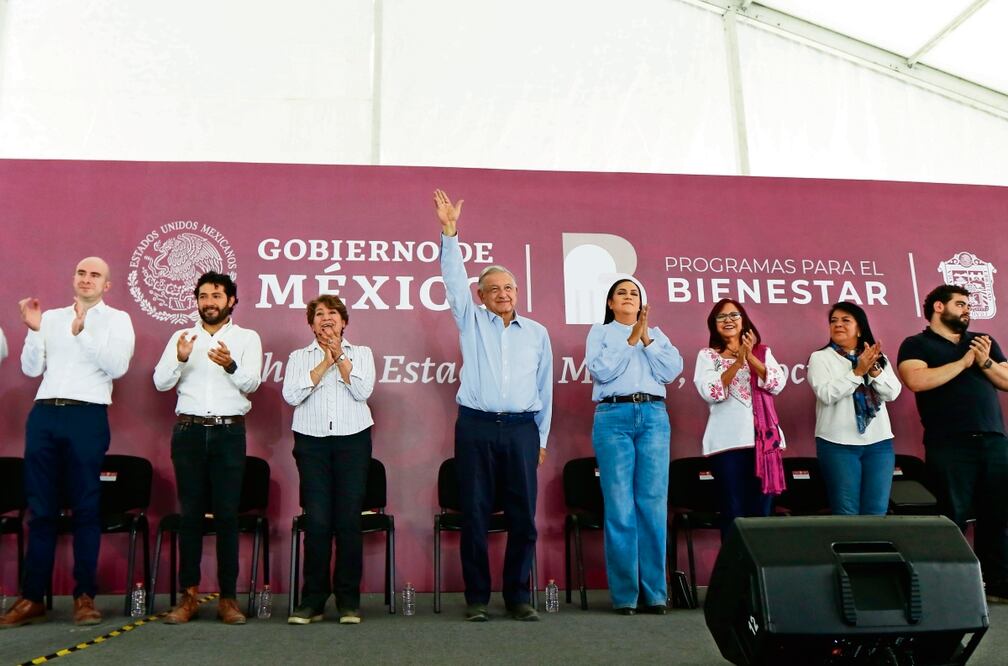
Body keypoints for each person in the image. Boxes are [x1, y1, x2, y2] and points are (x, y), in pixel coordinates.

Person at [434, 188, 553, 622]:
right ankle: (477, 598)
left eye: (509, 287)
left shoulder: (538, 333)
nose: (503, 293)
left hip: (522, 428)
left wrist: (541, 437)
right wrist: (450, 233)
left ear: (517, 292)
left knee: (523, 515)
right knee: (477, 513)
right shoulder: (470, 319)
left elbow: (545, 390)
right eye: (493, 289)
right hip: (476, 427)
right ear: (480, 296)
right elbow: (452, 278)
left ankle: (518, 595)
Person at [1, 257, 134, 629]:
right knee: (40, 510)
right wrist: (32, 330)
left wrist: (83, 333)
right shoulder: (53, 317)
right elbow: (31, 369)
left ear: (107, 285)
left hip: (86, 415)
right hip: (44, 414)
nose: (86, 279)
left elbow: (117, 367)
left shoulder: (117, 319)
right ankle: (32, 598)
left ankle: (84, 597)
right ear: (73, 278)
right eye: (81, 272)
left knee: (85, 508)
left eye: (95, 275)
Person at [153, 271, 262, 625]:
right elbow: (160, 382)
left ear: (231, 300)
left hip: (229, 433)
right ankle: (189, 597)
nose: (209, 302)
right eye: (203, 296)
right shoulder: (181, 337)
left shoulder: (247, 338)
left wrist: (230, 364)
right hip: (189, 432)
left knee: (228, 516)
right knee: (191, 517)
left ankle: (228, 599)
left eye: (216, 295)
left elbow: (252, 383)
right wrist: (181, 358)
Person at [898, 284, 1008, 603]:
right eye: (959, 304)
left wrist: (984, 361)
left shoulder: (982, 342)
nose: (966, 310)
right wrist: (963, 362)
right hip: (949, 443)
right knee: (952, 515)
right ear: (938, 307)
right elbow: (916, 380)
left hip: (993, 440)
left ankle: (998, 583)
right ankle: (953, 585)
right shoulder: (916, 344)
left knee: (997, 513)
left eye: (968, 305)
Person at [586, 278, 682, 615]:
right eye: (621, 293)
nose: (628, 297)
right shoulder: (599, 333)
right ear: (610, 303)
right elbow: (601, 371)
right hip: (613, 416)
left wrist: (647, 339)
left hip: (654, 416)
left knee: (653, 504)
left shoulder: (657, 334)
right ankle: (626, 595)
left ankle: (655, 593)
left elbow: (671, 370)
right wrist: (630, 339)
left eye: (634, 293)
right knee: (620, 506)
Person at [283, 295, 376, 625]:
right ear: (311, 325)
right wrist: (324, 362)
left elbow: (362, 392)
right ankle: (313, 601)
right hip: (312, 443)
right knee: (318, 521)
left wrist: (341, 359)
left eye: (333, 313)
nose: (326, 318)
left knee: (348, 520)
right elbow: (292, 395)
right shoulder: (299, 357)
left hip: (353, 441)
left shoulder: (361, 354)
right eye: (319, 314)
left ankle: (349, 601)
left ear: (344, 321)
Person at [693, 299, 786, 538]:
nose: (728, 320)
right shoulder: (707, 356)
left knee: (762, 515)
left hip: (764, 444)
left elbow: (776, 384)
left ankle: (759, 573)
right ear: (714, 325)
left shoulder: (763, 353)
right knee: (733, 513)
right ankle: (735, 573)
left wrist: (751, 358)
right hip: (727, 446)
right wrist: (737, 363)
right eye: (721, 317)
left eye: (734, 315)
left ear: (743, 320)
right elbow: (711, 392)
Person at [808, 302, 901, 515]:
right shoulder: (820, 358)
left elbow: (892, 393)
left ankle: (873, 549)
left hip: (879, 445)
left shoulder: (876, 357)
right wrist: (857, 372)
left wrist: (874, 368)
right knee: (846, 511)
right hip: (837, 444)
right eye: (833, 321)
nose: (838, 325)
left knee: (877, 510)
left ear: (859, 329)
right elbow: (826, 394)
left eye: (845, 320)